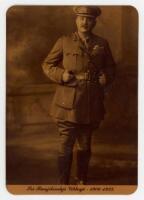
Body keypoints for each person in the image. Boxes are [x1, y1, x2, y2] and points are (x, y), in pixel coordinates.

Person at [42, 6, 116, 185]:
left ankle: (81, 180)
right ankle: (63, 184)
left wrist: (107, 77)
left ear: (94, 22)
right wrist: (61, 75)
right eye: (81, 18)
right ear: (76, 20)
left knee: (85, 144)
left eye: (89, 19)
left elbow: (111, 67)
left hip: (91, 102)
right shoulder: (64, 41)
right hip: (68, 102)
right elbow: (47, 64)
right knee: (65, 145)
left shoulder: (102, 43)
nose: (85, 22)